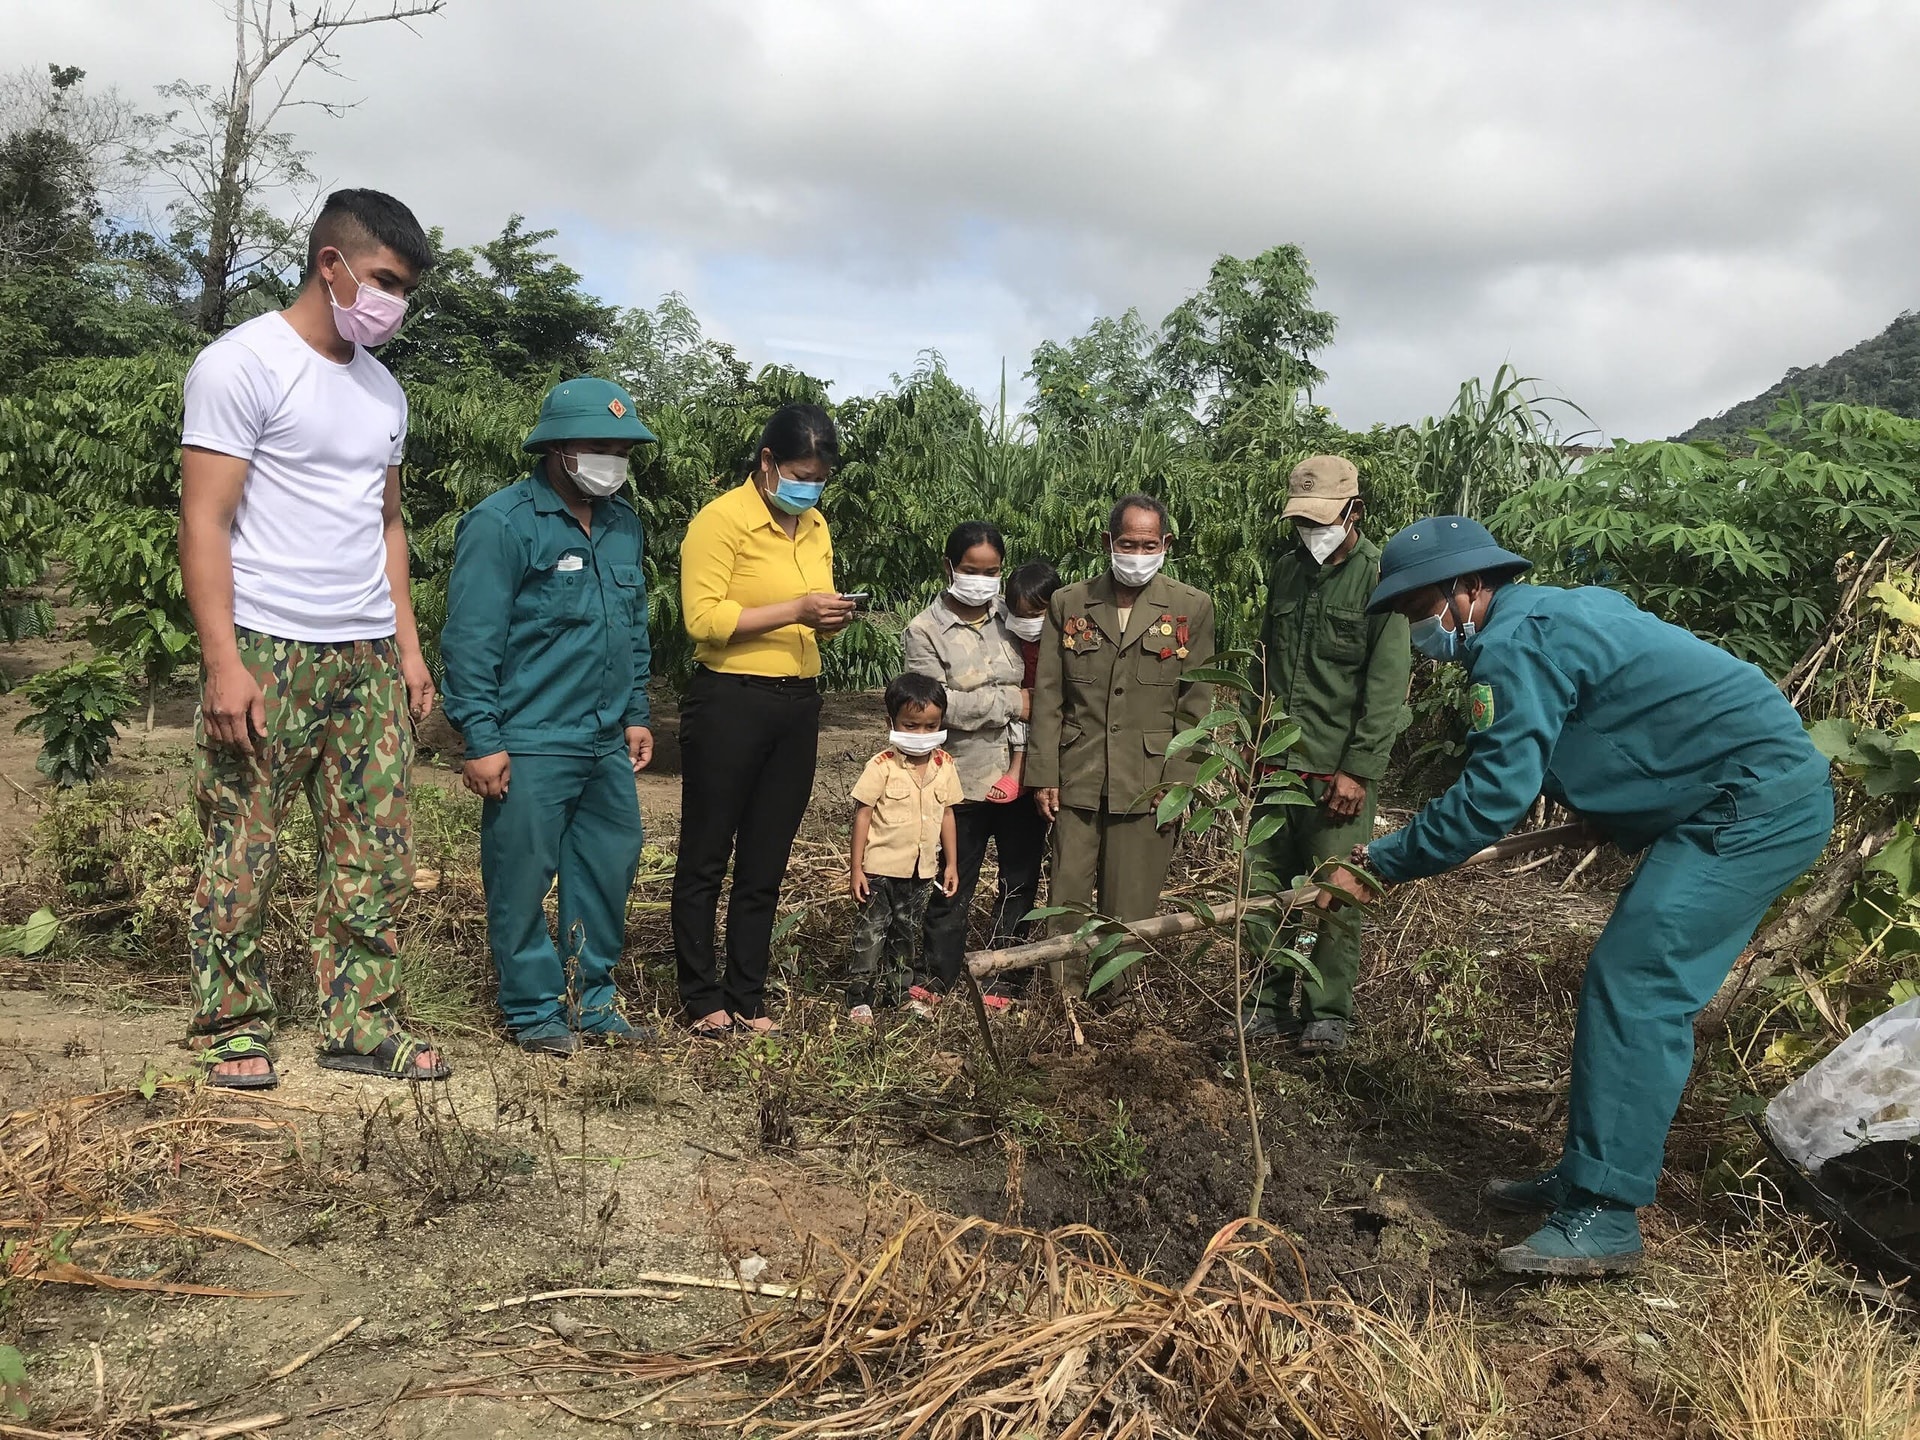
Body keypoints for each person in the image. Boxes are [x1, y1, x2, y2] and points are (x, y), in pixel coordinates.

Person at [1323, 516, 1834, 1277]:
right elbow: (1628, 720)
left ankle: (1603, 1214)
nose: (1415, 628)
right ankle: (1584, 1173)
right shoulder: (1554, 611)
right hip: (1730, 793)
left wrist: (1378, 865)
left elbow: (1492, 799)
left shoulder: (1514, 644)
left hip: (1752, 808)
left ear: (1467, 588)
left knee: (1638, 983)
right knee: (1627, 979)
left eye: (1417, 607)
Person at [178, 188, 445, 1088]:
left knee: (375, 850)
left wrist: (407, 650)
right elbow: (205, 521)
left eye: (403, 291)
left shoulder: (384, 391)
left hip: (366, 652)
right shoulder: (240, 365)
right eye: (383, 281)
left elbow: (388, 527)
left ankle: (361, 1022)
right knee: (243, 842)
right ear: (330, 264)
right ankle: (232, 1021)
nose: (392, 305)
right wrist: (223, 662)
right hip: (268, 646)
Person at [440, 377, 658, 1056]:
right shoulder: (503, 523)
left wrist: (636, 710)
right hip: (530, 738)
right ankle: (533, 1008)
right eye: (600, 446)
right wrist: (480, 737)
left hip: (601, 740)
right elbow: (471, 639)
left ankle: (591, 1001)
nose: (613, 460)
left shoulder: (624, 524)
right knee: (521, 875)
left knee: (608, 864)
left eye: (623, 449)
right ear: (558, 449)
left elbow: (632, 628)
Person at [674, 404, 856, 1037]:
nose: (811, 487)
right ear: (768, 462)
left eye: (821, 477)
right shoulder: (721, 522)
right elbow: (703, 621)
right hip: (730, 698)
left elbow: (809, 619)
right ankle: (701, 995)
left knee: (766, 856)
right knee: (706, 853)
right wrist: (795, 608)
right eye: (802, 473)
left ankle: (747, 993)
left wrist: (825, 619)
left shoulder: (816, 526)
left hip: (797, 701)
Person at [1242, 457, 1410, 1054]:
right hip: (1275, 768)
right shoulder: (1286, 574)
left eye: (1322, 520)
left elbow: (1386, 690)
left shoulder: (1380, 582)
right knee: (1261, 892)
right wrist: (1251, 742)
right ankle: (1263, 1005)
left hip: (1338, 775)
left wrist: (1358, 770)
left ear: (1353, 512)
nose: (1311, 532)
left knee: (1336, 896)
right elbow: (1265, 667)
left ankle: (1328, 1012)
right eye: (1302, 522)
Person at [1027, 494, 1217, 991]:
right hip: (1078, 772)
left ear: (1166, 544)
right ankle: (1064, 995)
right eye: (1127, 543)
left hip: (1148, 779)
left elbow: (1195, 706)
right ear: (1108, 543)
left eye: (1148, 544)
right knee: (1067, 892)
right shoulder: (1070, 603)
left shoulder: (1190, 607)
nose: (1137, 553)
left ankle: (1120, 1001)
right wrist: (1044, 773)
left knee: (1131, 900)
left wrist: (1178, 785)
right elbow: (1048, 694)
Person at [905, 524, 1049, 1013]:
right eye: (971, 571)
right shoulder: (924, 630)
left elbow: (1048, 683)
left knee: (1020, 878)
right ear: (949, 568)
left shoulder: (1018, 617)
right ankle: (938, 974)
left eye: (991, 572)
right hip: (959, 778)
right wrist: (1013, 700)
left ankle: (1006, 979)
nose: (982, 581)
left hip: (1023, 777)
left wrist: (1009, 705)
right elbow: (932, 706)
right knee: (953, 876)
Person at [845, 673, 963, 1023]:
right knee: (870, 934)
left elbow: (947, 816)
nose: (922, 735)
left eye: (931, 726)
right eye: (911, 726)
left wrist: (951, 864)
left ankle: (900, 994)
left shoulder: (945, 765)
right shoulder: (881, 766)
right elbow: (862, 815)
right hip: (880, 870)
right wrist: (856, 868)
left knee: (906, 933)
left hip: (921, 870)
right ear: (891, 723)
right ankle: (858, 997)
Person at [999, 560, 1063, 803]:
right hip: (1026, 698)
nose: (1027, 623)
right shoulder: (1016, 637)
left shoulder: (1061, 638)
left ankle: (1020, 768)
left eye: (1035, 615)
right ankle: (1018, 765)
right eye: (1019, 616)